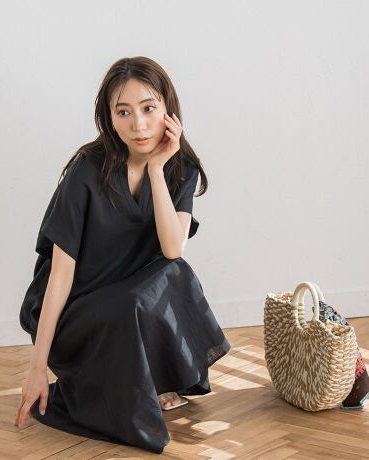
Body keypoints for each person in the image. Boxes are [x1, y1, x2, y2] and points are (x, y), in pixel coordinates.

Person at [15, 56, 231, 454]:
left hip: (125, 302)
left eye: (148, 109)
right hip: (73, 313)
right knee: (135, 299)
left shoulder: (180, 168)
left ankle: (153, 381)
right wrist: (36, 368)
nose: (139, 125)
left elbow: (172, 248)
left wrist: (156, 170)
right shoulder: (87, 170)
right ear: (109, 119)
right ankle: (123, 386)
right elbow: (60, 275)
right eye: (124, 112)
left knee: (175, 273)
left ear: (168, 109)